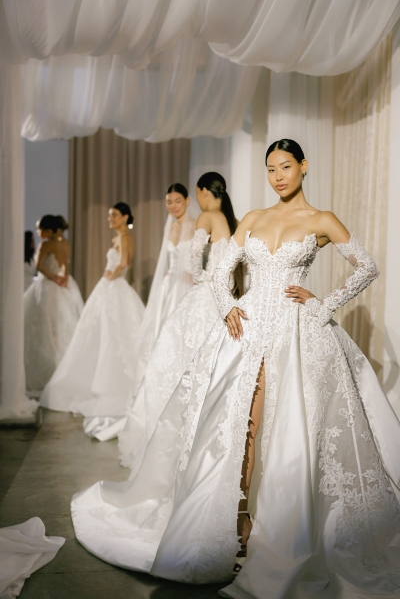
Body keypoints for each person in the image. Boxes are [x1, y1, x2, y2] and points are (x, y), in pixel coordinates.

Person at [71, 140, 400, 598]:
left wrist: (323, 305)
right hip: (248, 328)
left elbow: (367, 266)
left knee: (289, 429)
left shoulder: (321, 220)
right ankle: (236, 521)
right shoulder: (253, 219)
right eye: (271, 169)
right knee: (241, 422)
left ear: (304, 166)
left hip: (297, 333)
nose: (278, 176)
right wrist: (227, 305)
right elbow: (220, 271)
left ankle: (281, 527)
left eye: (286, 166)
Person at [115, 173, 240, 464]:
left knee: (178, 358)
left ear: (203, 192)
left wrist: (201, 278)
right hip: (223, 295)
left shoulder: (206, 217)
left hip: (204, 292)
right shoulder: (231, 219)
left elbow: (196, 257)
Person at [40, 203, 145, 423]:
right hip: (113, 288)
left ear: (125, 217)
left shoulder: (124, 237)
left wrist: (111, 276)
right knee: (107, 335)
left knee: (113, 336)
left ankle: (113, 383)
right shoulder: (120, 237)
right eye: (109, 216)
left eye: (114, 215)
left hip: (114, 288)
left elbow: (125, 263)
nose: (110, 219)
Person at [128, 183, 197, 401]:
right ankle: (156, 388)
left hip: (187, 287)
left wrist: (193, 276)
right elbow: (171, 259)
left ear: (187, 201)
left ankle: (180, 390)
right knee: (160, 333)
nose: (173, 206)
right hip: (169, 287)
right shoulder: (171, 226)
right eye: (169, 202)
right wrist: (170, 275)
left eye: (178, 201)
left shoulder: (196, 225)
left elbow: (203, 258)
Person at [24, 215, 82, 396]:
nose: (38, 233)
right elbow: (65, 264)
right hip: (62, 285)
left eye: (40, 229)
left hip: (48, 286)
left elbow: (40, 266)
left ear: (48, 230)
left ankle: (46, 371)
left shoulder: (46, 244)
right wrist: (63, 278)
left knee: (43, 327)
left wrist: (53, 278)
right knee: (61, 325)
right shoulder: (65, 243)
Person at [54, 215, 84, 314]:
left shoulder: (63, 242)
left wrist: (65, 277)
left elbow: (65, 262)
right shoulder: (54, 242)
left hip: (60, 276)